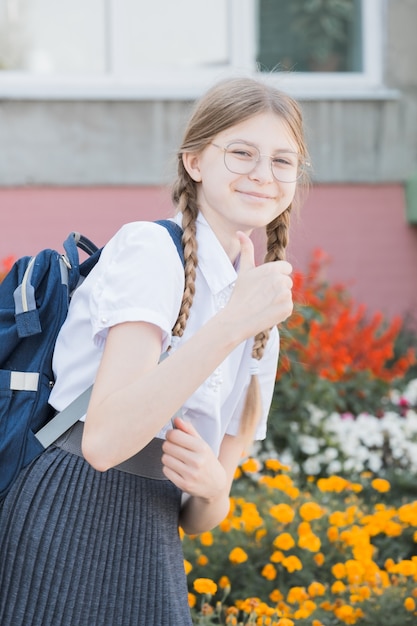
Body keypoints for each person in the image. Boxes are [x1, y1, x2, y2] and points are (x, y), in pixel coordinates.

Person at [0, 76, 309, 625]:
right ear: (194, 161)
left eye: (283, 161)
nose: (263, 174)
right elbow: (103, 441)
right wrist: (232, 323)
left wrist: (216, 489)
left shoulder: (261, 317)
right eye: (241, 153)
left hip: (152, 538)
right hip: (66, 510)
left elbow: (199, 513)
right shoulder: (152, 251)